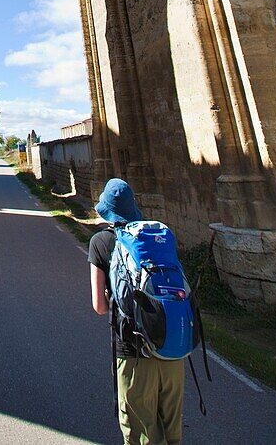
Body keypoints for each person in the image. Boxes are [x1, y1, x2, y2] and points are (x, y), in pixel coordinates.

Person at [89, 178, 184, 445]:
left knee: (140, 431)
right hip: (172, 345)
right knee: (172, 431)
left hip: (133, 351)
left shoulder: (100, 242)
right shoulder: (158, 238)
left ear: (106, 210)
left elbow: (99, 306)